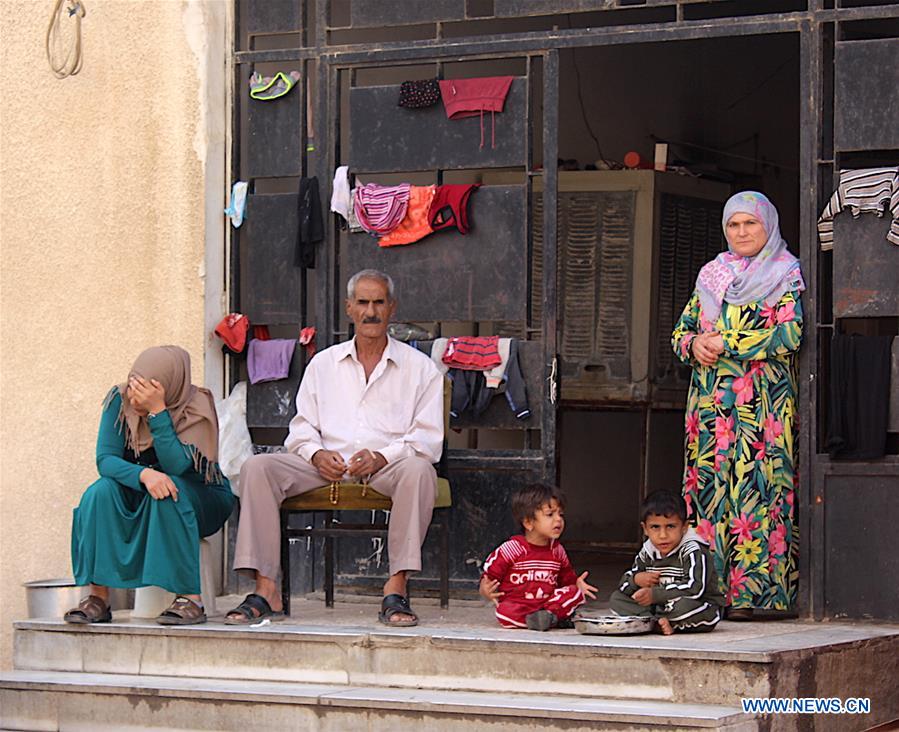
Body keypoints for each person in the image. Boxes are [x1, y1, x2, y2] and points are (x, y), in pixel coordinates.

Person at [227, 269, 443, 627]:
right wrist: (315, 454)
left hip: (389, 467)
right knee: (257, 468)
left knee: (420, 470)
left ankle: (396, 588)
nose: (370, 312)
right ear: (349, 308)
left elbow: (427, 439)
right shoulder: (323, 364)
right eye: (362, 303)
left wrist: (381, 457)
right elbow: (301, 428)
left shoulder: (420, 369)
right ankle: (267, 590)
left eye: (378, 303)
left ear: (392, 308)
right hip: (326, 464)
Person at [671, 191, 804, 620]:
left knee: (760, 492)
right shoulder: (712, 275)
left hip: (761, 408)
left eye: (751, 224)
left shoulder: (785, 273)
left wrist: (724, 342)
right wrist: (695, 344)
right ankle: (708, 590)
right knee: (709, 494)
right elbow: (680, 335)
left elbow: (789, 336)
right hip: (709, 409)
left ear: (768, 226)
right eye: (734, 224)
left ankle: (758, 597)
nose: (742, 232)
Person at [66, 346, 236, 626]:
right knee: (99, 492)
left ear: (167, 386)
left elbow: (177, 467)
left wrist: (158, 413)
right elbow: (105, 460)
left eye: (147, 387)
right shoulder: (119, 400)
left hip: (201, 497)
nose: (135, 395)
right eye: (135, 383)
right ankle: (98, 597)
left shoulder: (196, 406)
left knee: (169, 490)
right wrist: (144, 475)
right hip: (146, 491)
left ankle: (190, 599)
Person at [480, 484, 597, 630]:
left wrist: (577, 584)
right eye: (550, 514)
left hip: (548, 605)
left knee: (575, 593)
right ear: (528, 522)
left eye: (560, 514)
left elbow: (566, 581)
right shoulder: (512, 549)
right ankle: (544, 621)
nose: (558, 520)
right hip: (519, 605)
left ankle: (549, 618)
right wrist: (485, 590)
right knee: (505, 612)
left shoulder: (557, 550)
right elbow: (489, 577)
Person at [609, 491, 724, 635]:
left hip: (696, 605)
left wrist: (655, 595)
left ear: (684, 527)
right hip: (659, 607)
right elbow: (625, 586)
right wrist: (636, 580)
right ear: (645, 529)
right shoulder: (647, 551)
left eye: (670, 526)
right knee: (617, 599)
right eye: (655, 527)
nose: (663, 535)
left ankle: (653, 622)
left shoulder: (693, 550)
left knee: (684, 606)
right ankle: (657, 623)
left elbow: (695, 588)